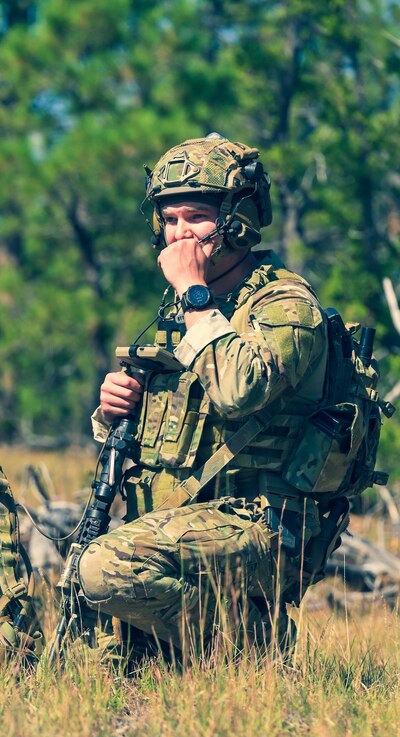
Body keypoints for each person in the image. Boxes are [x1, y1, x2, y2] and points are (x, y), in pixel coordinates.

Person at [75, 134, 336, 658]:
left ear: (238, 219)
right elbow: (162, 427)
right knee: (102, 654)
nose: (179, 234)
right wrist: (111, 410)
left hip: (264, 524)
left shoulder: (286, 305)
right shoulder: (185, 311)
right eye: (168, 220)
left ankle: (250, 642)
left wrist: (194, 295)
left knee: (106, 569)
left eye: (194, 217)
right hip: (181, 521)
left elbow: (241, 391)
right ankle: (207, 638)